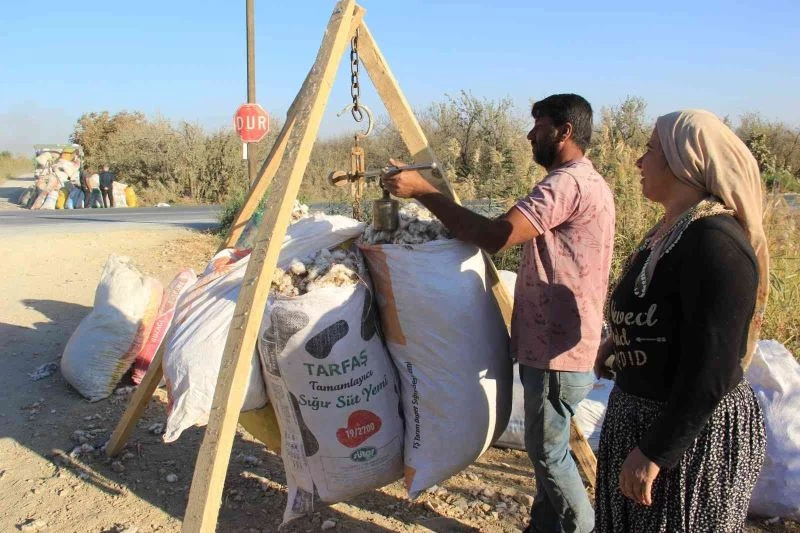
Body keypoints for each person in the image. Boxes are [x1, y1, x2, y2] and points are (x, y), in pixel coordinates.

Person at [383, 94, 615, 533]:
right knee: (549, 451)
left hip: (555, 354)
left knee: (548, 454)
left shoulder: (565, 184)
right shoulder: (591, 182)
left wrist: (424, 192)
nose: (531, 135)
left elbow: (495, 235)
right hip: (563, 346)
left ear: (564, 132)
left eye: (539, 125)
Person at [593, 109, 768, 532]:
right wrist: (621, 342)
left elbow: (713, 370)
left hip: (687, 438)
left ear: (684, 161)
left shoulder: (716, 246)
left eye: (650, 149)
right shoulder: (667, 232)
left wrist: (655, 452)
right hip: (638, 419)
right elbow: (667, 314)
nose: (639, 161)